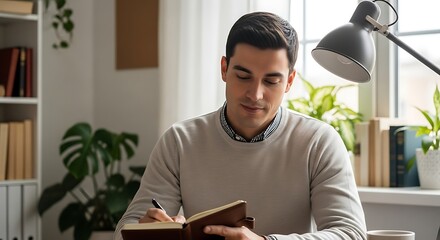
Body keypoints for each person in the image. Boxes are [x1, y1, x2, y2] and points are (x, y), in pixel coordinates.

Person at [114, 11, 367, 240]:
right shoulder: (179, 141)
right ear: (224, 69)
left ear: (289, 81)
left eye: (271, 81)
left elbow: (351, 234)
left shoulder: (319, 142)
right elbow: (125, 230)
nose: (255, 94)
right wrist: (144, 231)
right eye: (243, 76)